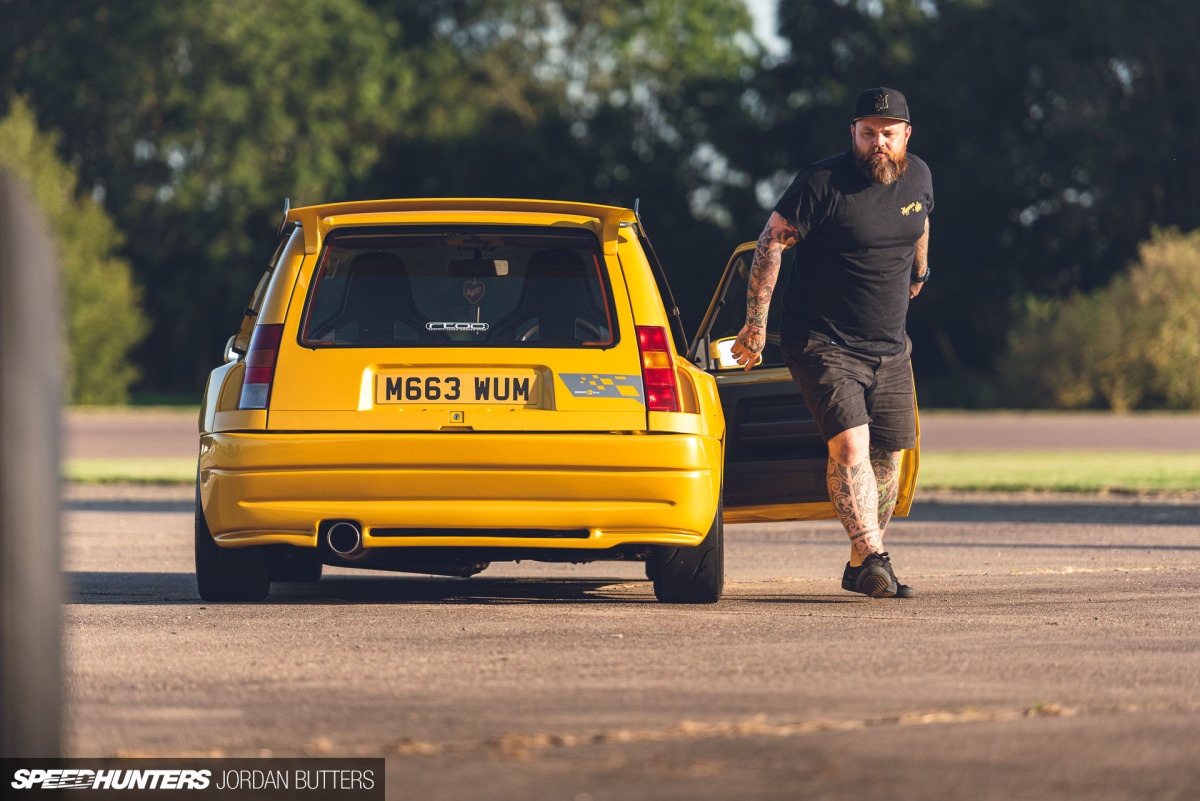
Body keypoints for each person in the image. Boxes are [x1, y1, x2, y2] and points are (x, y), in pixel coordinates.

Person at [730, 86, 933, 598]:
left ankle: (862, 563)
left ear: (905, 135)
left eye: (888, 134)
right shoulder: (821, 183)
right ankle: (875, 556)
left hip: (890, 345)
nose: (878, 144)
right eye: (868, 134)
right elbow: (771, 240)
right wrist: (756, 324)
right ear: (853, 134)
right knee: (851, 446)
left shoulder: (920, 177)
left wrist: (921, 273)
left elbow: (920, 221)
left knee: (888, 457)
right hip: (822, 340)